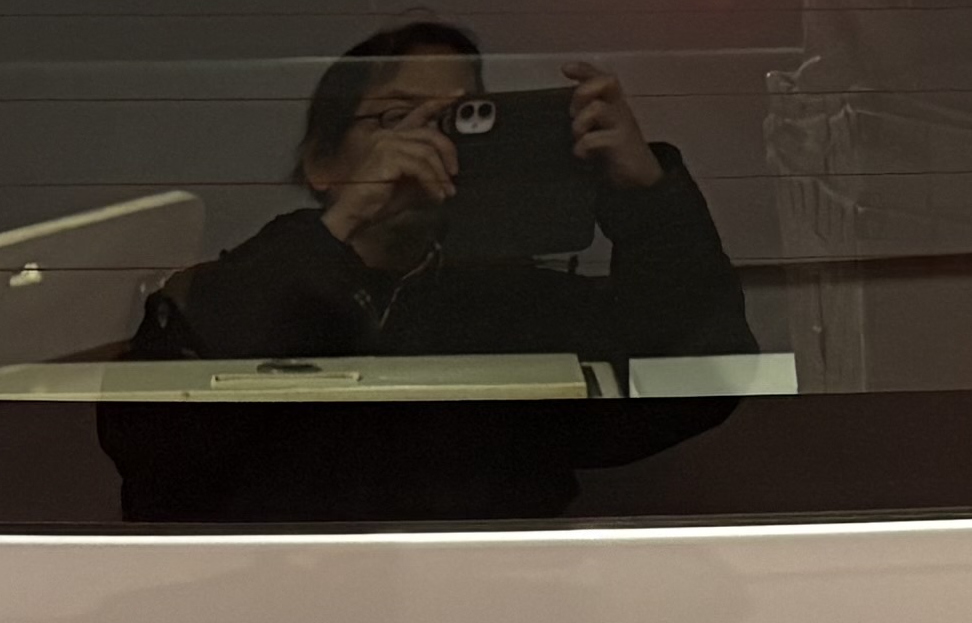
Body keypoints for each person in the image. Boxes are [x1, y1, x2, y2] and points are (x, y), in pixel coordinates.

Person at [163, 18, 750, 366]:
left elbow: (696, 377)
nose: (424, 140)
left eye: (455, 119)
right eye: (395, 117)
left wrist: (647, 194)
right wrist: (346, 221)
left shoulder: (507, 298)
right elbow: (163, 421)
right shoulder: (237, 285)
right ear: (322, 161)